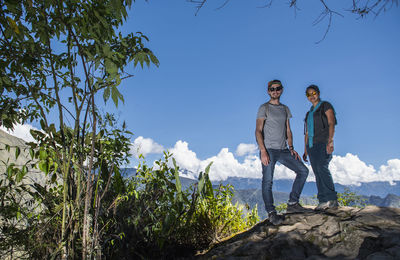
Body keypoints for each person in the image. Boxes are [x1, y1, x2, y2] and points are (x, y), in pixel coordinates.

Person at [255, 79, 309, 225]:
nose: (275, 91)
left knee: (303, 171)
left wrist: (291, 148)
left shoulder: (285, 109)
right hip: (269, 150)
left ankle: (292, 204)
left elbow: (288, 130)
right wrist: (262, 150)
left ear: (281, 90)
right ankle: (272, 213)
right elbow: (258, 130)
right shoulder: (264, 108)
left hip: (283, 149)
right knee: (267, 182)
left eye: (277, 88)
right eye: (272, 89)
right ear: (268, 91)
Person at [302, 84, 338, 211]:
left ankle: (332, 199)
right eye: (308, 94)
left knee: (322, 168)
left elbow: (331, 123)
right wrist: (305, 150)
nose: (311, 96)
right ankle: (323, 200)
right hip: (311, 145)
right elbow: (306, 133)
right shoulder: (309, 113)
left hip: (323, 142)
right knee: (317, 172)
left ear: (318, 93)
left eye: (313, 93)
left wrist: (330, 141)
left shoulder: (325, 106)